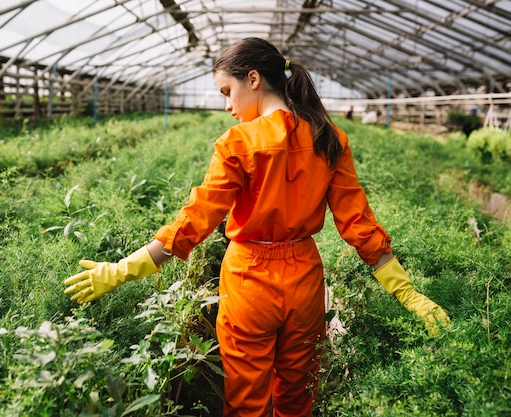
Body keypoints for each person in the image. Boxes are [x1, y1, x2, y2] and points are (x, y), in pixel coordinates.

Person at [64, 37, 450, 416]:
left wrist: (123, 269)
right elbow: (359, 225)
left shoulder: (238, 143)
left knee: (247, 400)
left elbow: (195, 221)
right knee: (298, 395)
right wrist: (409, 295)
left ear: (253, 79)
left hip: (249, 281)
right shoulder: (328, 138)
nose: (228, 106)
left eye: (227, 91)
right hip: (304, 282)